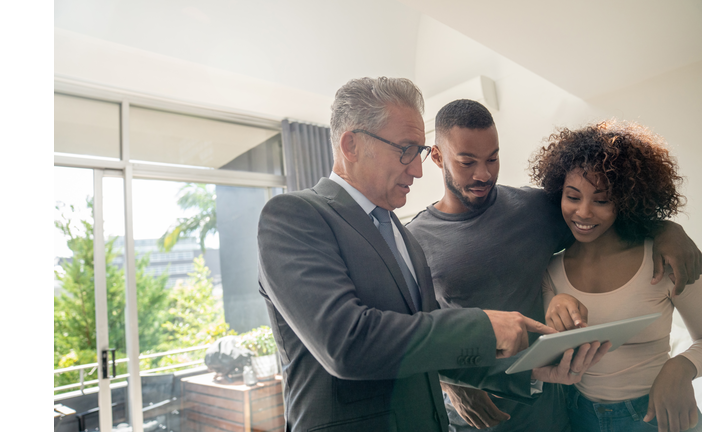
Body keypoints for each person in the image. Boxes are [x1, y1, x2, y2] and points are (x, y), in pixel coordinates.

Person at [257, 78, 605, 432]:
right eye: (405, 150)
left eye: (419, 152)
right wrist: (483, 326)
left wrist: (526, 370)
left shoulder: (401, 236)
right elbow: (347, 343)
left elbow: (421, 351)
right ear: (352, 144)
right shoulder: (293, 215)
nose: (418, 169)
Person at [405, 100, 702, 431]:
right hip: (476, 417)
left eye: (493, 158)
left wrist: (667, 229)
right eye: (466, 162)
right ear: (436, 156)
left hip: (555, 412)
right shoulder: (412, 241)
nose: (484, 174)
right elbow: (406, 337)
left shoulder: (535, 208)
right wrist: (450, 382)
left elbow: (606, 217)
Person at [531, 120, 701, 432]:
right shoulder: (549, 270)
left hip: (656, 414)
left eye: (601, 200)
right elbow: (546, 355)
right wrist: (554, 307)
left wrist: (682, 366)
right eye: (572, 196)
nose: (583, 212)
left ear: (625, 201)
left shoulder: (664, 259)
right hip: (577, 416)